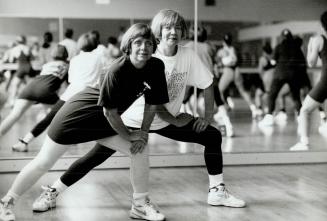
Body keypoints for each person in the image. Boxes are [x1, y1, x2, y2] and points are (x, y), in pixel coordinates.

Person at [30, 9, 245, 221]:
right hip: (133, 119)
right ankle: (53, 192)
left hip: (164, 119)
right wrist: (166, 122)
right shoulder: (148, 53)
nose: (173, 32)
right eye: (167, 27)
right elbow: (153, 102)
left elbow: (208, 84)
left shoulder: (188, 54)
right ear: (158, 31)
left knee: (212, 135)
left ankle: (217, 191)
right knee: (94, 157)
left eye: (178, 27)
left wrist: (207, 117)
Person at [0, 23, 169, 221]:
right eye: (138, 42)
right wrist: (130, 134)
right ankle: (6, 203)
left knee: (139, 150)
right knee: (43, 162)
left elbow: (152, 103)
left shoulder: (156, 66)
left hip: (103, 121)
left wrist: (143, 133)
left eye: (149, 43)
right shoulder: (116, 70)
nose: (144, 47)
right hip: (76, 115)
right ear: (128, 45)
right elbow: (110, 113)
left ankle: (140, 205)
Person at [11, 31, 113, 152]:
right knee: (104, 120)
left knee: (48, 119)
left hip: (70, 93)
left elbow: (72, 80)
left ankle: (25, 141)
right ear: (95, 44)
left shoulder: (74, 60)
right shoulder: (101, 58)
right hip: (89, 94)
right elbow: (106, 76)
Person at [0, 45, 68, 140]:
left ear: (53, 54)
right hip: (46, 91)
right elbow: (65, 85)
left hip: (30, 88)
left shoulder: (47, 65)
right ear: (66, 55)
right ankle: (66, 138)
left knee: (14, 115)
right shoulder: (67, 66)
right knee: (62, 115)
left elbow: (44, 79)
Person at [184, 26, 233, 136]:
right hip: (209, 78)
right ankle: (228, 126)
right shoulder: (209, 47)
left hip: (195, 78)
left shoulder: (188, 46)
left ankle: (188, 124)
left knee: (184, 101)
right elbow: (215, 61)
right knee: (219, 103)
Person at [290, 11, 327, 151]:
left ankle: (304, 143)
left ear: (322, 25)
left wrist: (311, 46)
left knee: (305, 110)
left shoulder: (319, 39)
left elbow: (311, 63)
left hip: (326, 81)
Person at [259, 29, 304, 126]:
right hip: (293, 74)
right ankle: (301, 117)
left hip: (280, 74)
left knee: (272, 95)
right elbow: (302, 61)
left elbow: (273, 62)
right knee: (296, 96)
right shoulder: (297, 48)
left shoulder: (279, 47)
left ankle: (269, 117)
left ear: (282, 37)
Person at [216, 33, 258, 118]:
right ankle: (253, 108)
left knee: (219, 91)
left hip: (228, 71)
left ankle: (224, 109)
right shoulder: (234, 49)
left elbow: (218, 62)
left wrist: (219, 64)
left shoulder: (222, 51)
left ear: (223, 42)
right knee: (242, 91)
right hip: (237, 71)